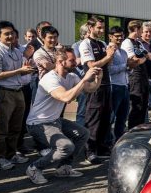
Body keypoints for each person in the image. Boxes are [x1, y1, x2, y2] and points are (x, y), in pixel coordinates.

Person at [25, 48, 101, 185]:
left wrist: (98, 78)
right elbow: (66, 97)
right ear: (60, 62)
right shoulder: (50, 78)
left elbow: (90, 89)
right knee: (66, 146)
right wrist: (84, 79)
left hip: (55, 120)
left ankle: (64, 167)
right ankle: (34, 168)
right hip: (38, 123)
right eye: (72, 60)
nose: (76, 63)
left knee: (83, 133)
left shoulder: (71, 76)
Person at [0, 21, 35, 170]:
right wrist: (20, 71)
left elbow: (22, 70)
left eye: (12, 33)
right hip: (3, 92)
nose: (10, 36)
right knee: (1, 128)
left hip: (18, 92)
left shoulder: (16, 51)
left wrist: (27, 69)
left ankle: (11, 153)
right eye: (6, 34)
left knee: (16, 127)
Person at [79, 17, 115, 163]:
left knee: (106, 118)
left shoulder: (102, 43)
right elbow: (92, 65)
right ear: (90, 28)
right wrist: (108, 56)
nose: (101, 30)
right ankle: (90, 151)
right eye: (98, 27)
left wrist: (111, 54)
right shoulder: (85, 44)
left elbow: (109, 64)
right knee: (93, 118)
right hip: (93, 86)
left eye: (102, 28)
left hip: (106, 84)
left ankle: (102, 148)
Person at [121, 20, 149, 129]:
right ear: (136, 29)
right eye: (141, 29)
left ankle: (140, 127)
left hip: (143, 75)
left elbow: (149, 55)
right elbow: (134, 60)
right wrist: (144, 58)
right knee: (137, 104)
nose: (142, 31)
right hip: (135, 76)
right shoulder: (127, 42)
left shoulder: (138, 42)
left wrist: (143, 57)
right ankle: (133, 129)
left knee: (144, 104)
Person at [107, 27, 130, 143]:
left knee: (122, 117)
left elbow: (127, 70)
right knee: (111, 116)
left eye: (121, 36)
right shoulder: (109, 50)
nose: (120, 38)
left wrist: (130, 67)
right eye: (117, 36)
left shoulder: (124, 52)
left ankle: (119, 139)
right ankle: (108, 141)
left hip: (125, 85)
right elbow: (110, 70)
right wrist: (125, 66)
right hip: (114, 86)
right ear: (110, 37)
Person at [72, 24, 89, 126]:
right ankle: (78, 130)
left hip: (92, 82)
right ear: (84, 34)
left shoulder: (96, 44)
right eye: (89, 32)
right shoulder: (76, 46)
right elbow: (75, 62)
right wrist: (89, 57)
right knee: (80, 110)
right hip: (80, 81)